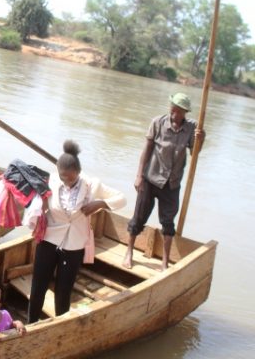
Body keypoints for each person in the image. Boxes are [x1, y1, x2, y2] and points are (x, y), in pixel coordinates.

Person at [24, 140, 126, 321]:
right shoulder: (51, 180)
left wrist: (100, 203)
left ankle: (61, 325)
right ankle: (32, 322)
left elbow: (121, 199)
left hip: (73, 246)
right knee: (38, 286)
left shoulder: (92, 185)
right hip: (48, 240)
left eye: (70, 178)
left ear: (78, 172)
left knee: (64, 290)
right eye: (63, 177)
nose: (67, 181)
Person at [123, 93, 205, 271]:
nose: (176, 113)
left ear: (185, 113)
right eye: (174, 109)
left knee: (168, 223)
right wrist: (139, 176)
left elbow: (195, 152)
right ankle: (129, 251)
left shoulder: (192, 128)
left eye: (180, 111)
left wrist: (201, 138)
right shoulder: (158, 123)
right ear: (171, 108)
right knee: (138, 217)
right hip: (151, 179)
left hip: (172, 183)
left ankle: (165, 262)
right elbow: (146, 150)